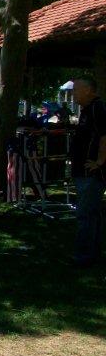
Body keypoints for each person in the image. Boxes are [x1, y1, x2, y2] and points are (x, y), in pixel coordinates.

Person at [71, 77, 106, 268]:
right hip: (82, 171)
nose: (74, 93)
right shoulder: (86, 110)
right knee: (92, 214)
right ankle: (93, 254)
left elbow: (104, 136)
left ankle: (84, 256)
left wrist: (99, 162)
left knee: (86, 214)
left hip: (90, 173)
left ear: (88, 90)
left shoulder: (97, 108)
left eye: (77, 89)